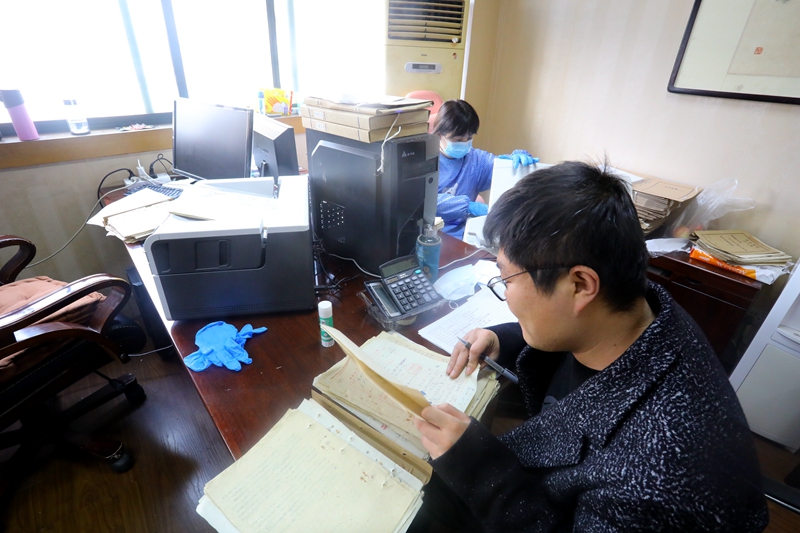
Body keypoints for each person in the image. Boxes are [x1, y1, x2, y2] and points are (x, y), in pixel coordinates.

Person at [412, 161, 768, 532]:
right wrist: (506, 339)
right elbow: (567, 332)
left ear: (581, 284)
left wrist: (480, 471)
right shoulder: (638, 309)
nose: (506, 295)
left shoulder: (658, 479)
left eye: (507, 280)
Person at [433, 99, 538, 239]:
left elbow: (500, 168)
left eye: (469, 138)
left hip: (462, 233)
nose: (464, 144)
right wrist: (467, 206)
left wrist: (517, 162)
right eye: (458, 140)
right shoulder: (424, 160)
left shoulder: (475, 159)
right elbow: (423, 201)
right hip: (429, 233)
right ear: (439, 135)